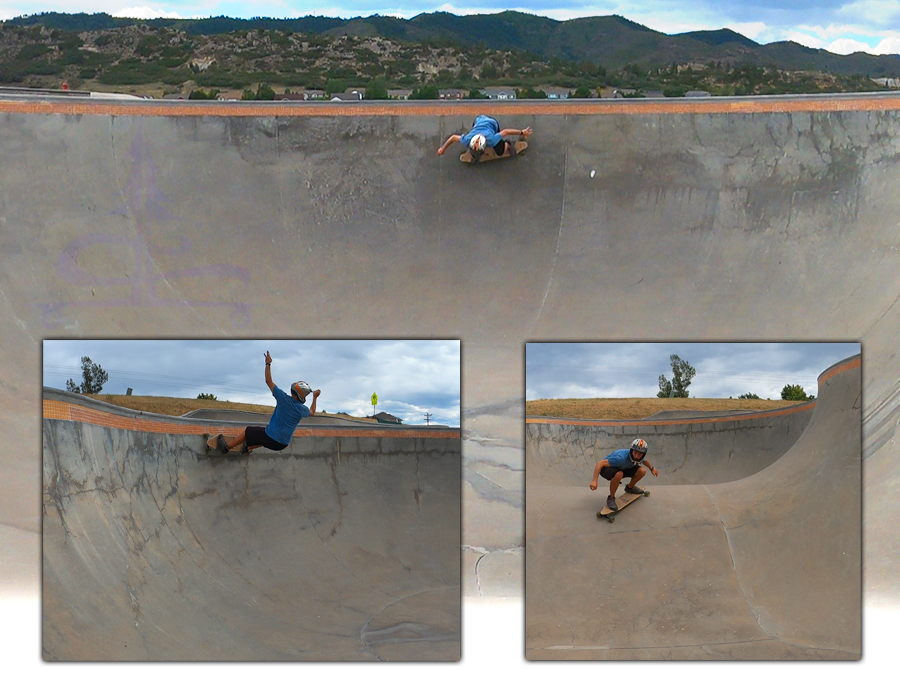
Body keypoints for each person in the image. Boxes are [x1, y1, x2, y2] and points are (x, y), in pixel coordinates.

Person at [214, 351, 319, 454]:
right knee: (264, 435)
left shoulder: (283, 398)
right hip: (282, 445)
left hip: (271, 439)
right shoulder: (302, 409)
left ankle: (226, 448)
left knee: (249, 431)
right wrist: (314, 398)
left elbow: (268, 381)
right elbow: (312, 412)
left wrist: (268, 363)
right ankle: (247, 448)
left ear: (294, 392)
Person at [589, 438, 658, 511]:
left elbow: (644, 461)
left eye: (639, 454)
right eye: (635, 453)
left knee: (642, 471)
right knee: (619, 474)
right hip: (606, 469)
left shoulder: (640, 457)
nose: (636, 456)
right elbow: (600, 463)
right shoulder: (621, 458)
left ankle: (630, 488)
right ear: (631, 451)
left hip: (622, 468)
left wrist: (652, 468)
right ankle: (611, 498)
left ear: (643, 454)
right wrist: (594, 481)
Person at [437, 114, 533, 160]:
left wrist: (522, 132)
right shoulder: (468, 139)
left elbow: (505, 132)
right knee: (472, 145)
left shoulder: (492, 140)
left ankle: (508, 145)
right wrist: (443, 148)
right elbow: (453, 138)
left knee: (500, 151)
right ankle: (475, 152)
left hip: (492, 124)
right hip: (478, 120)